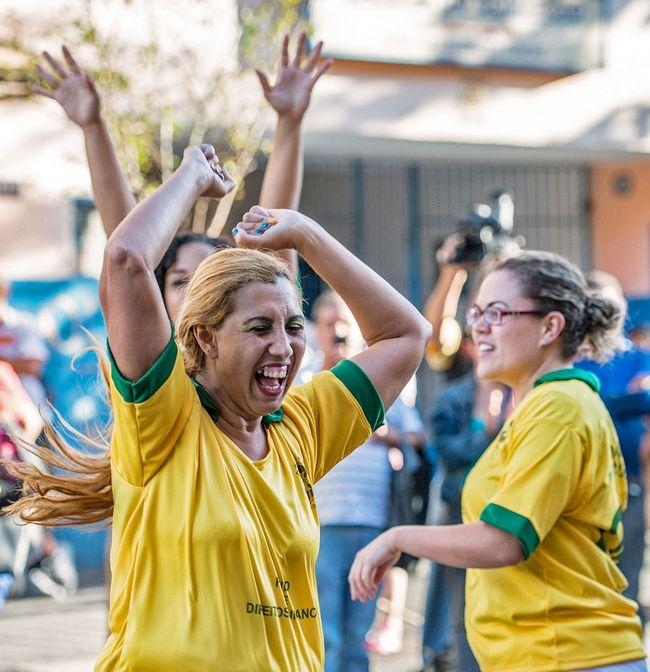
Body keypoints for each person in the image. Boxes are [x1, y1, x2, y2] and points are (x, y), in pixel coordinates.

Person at [4, 144, 431, 670]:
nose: (284, 347)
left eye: (293, 327)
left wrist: (305, 234)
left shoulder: (300, 425)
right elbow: (125, 260)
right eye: (258, 328)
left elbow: (408, 335)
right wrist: (190, 176)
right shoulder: (164, 419)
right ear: (205, 340)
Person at [350, 250, 647, 672]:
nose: (480, 326)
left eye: (498, 312)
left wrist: (397, 537)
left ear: (550, 327)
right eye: (477, 313)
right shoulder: (544, 405)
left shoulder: (558, 407)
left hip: (567, 656)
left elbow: (503, 541)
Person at [35, 32, 333, 319]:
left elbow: (275, 244)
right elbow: (124, 243)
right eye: (179, 281)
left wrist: (290, 123)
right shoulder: (151, 357)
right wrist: (93, 127)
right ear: (157, 296)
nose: (194, 291)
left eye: (208, 277)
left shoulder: (263, 348)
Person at [306, 291, 426, 671]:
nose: (338, 330)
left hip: (373, 523)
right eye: (330, 323)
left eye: (345, 322)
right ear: (318, 331)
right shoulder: (305, 384)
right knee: (325, 630)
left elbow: (419, 439)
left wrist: (388, 436)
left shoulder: (382, 389)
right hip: (323, 524)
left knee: (359, 630)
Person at [577, 271, 650, 627]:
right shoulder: (571, 359)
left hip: (628, 487)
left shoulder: (638, 358)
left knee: (627, 582)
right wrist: (629, 399)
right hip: (579, 493)